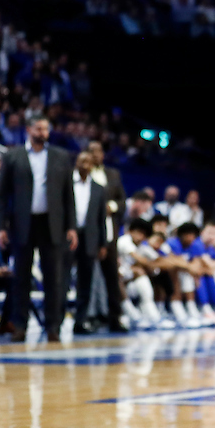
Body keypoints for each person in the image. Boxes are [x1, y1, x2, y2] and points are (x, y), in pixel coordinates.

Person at [0, 117, 78, 342]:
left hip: (52, 223)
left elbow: (68, 195)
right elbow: (2, 195)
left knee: (54, 278)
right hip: (22, 223)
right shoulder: (13, 156)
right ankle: (19, 325)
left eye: (46, 129)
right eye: (39, 128)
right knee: (21, 277)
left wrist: (71, 226)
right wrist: (0, 227)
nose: (43, 132)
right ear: (29, 129)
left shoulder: (61, 156)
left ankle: (53, 326)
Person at [87, 140, 125, 328]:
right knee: (89, 276)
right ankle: (90, 316)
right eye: (91, 151)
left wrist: (113, 206)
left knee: (111, 275)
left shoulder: (113, 174)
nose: (96, 154)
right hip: (89, 230)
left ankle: (114, 317)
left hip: (109, 230)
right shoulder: (80, 174)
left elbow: (122, 201)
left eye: (99, 151)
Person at [71, 151, 109, 335]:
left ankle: (80, 321)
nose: (85, 164)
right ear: (76, 163)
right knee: (61, 278)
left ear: (93, 166)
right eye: (82, 161)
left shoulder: (99, 188)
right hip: (69, 235)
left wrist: (103, 243)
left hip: (90, 238)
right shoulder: (66, 183)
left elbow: (102, 219)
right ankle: (56, 321)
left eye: (88, 162)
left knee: (85, 282)